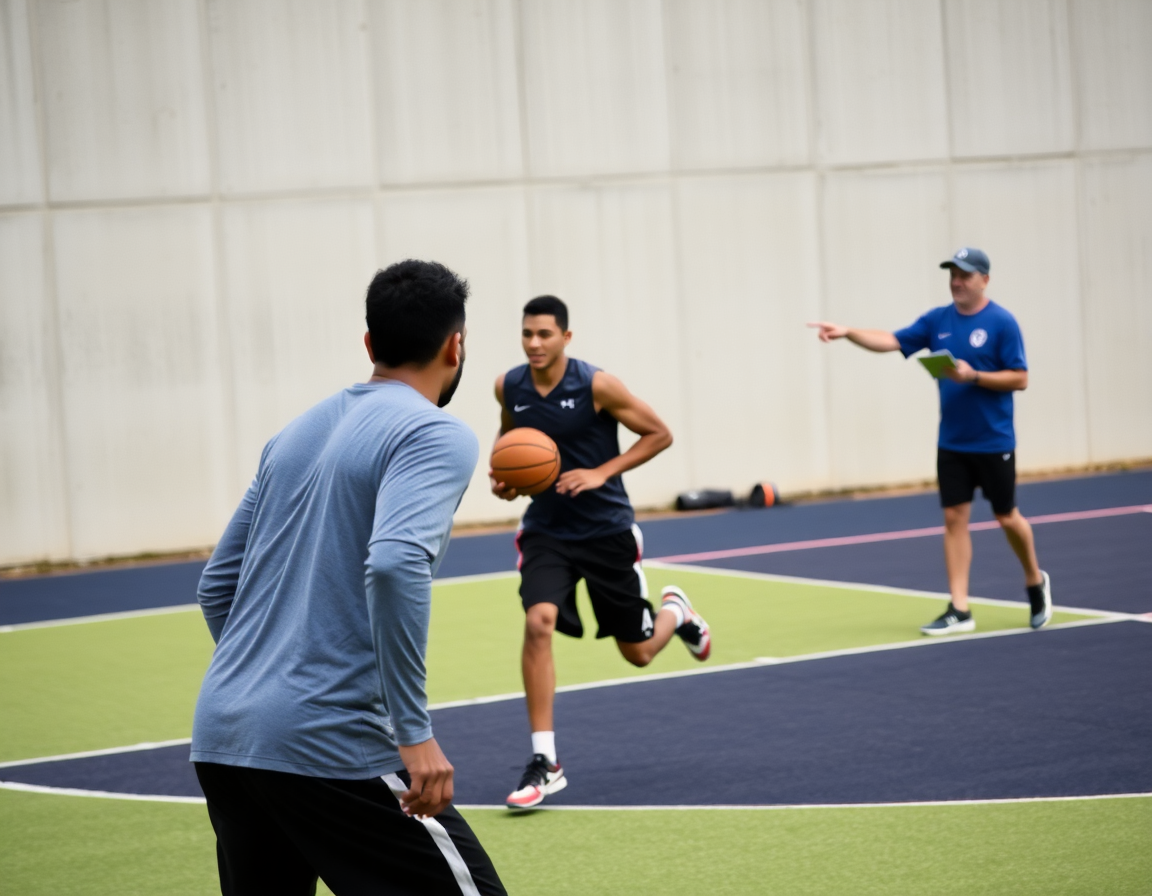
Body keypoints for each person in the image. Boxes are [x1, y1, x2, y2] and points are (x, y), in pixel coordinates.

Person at [191, 260, 506, 896]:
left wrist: (268, 685)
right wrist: (413, 735)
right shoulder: (433, 432)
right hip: (327, 746)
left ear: (370, 344)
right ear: (457, 345)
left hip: (225, 736)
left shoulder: (293, 434)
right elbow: (393, 563)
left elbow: (216, 587)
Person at [490, 295, 712, 810]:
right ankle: (546, 761)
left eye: (545, 334)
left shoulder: (596, 384)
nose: (534, 343)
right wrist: (505, 479)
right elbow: (510, 439)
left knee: (636, 653)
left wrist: (601, 471)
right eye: (527, 334)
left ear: (567, 337)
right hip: (546, 531)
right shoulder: (510, 385)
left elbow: (659, 434)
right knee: (538, 621)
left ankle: (675, 611)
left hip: (605, 530)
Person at [809, 247, 1052, 636]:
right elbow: (890, 340)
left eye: (965, 275)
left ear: (984, 280)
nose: (957, 281)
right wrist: (848, 332)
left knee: (1007, 516)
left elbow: (1020, 378)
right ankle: (959, 607)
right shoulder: (937, 321)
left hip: (994, 441)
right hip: (952, 442)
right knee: (954, 518)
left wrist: (974, 376)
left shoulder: (1002, 322)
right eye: (952, 274)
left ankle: (1034, 581)